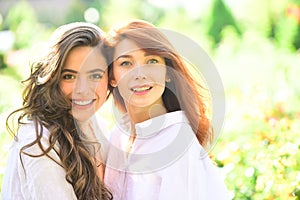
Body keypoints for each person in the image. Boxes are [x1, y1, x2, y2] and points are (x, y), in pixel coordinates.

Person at [103, 19, 231, 200]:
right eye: (126, 63)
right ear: (112, 78)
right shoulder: (118, 135)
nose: (140, 74)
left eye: (152, 61)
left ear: (168, 72)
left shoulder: (176, 143)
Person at [2, 22, 112, 200]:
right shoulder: (38, 140)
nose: (82, 89)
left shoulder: (98, 126)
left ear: (110, 78)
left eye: (95, 75)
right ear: (52, 78)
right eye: (69, 76)